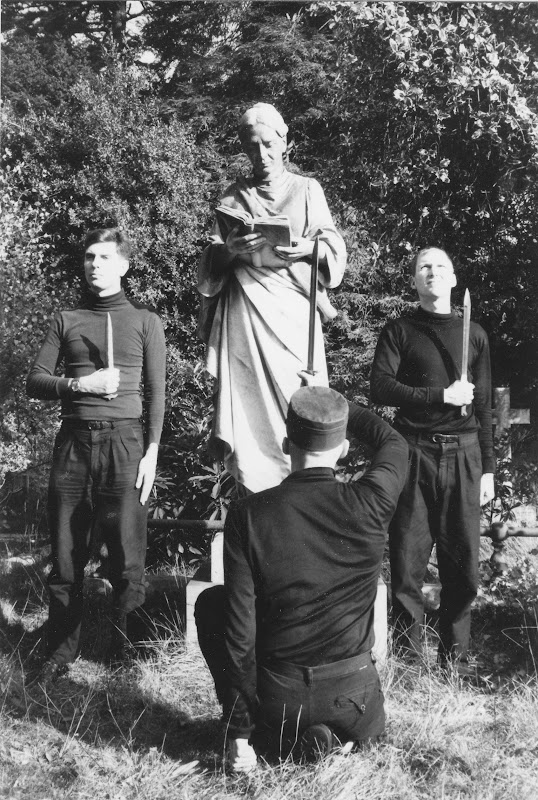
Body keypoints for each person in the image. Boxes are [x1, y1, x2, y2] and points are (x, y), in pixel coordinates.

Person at [195, 382, 408, 771]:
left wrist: (239, 730)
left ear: (284, 444)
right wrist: (338, 403)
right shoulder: (373, 501)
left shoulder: (248, 515)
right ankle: (336, 738)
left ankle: (275, 739)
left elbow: (240, 633)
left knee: (212, 602)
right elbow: (394, 442)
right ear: (343, 450)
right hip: (356, 701)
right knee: (345, 706)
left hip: (280, 702)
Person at [26, 228, 166, 683]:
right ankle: (60, 653)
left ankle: (124, 654)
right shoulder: (67, 319)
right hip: (73, 445)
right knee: (66, 555)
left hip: (126, 446)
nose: (94, 265)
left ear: (123, 265)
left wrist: (152, 451)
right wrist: (80, 384)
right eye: (89, 257)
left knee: (127, 553)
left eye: (104, 258)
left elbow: (156, 393)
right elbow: (35, 381)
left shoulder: (145, 321)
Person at [198, 102, 346, 493]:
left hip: (294, 311)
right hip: (246, 310)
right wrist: (230, 249)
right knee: (248, 410)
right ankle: (255, 492)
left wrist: (308, 248)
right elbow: (211, 263)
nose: (261, 154)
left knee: (299, 399)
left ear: (284, 142)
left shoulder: (307, 189)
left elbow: (332, 246)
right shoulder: (233, 197)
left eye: (267, 144)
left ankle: (301, 492)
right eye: (252, 146)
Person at [370, 247, 495, 671]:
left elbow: (484, 409)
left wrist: (489, 469)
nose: (433, 272)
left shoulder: (474, 334)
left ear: (453, 277)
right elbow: (380, 388)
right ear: (414, 280)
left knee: (463, 566)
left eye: (441, 266)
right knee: (407, 563)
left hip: (465, 455)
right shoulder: (399, 330)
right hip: (414, 451)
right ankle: (408, 663)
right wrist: (440, 395)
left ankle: (454, 660)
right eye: (424, 266)